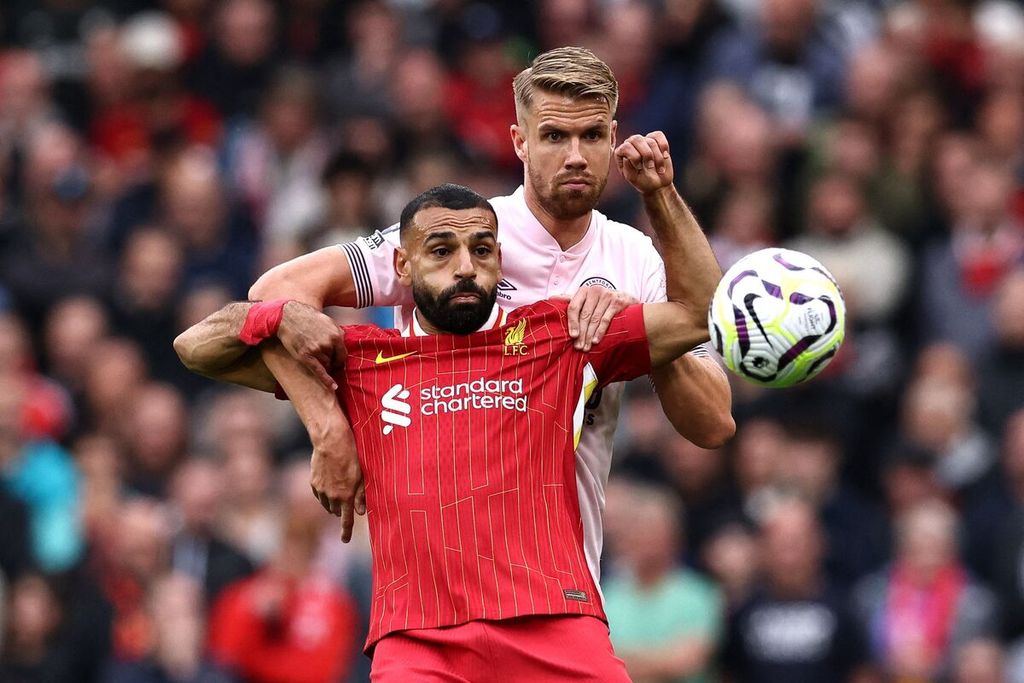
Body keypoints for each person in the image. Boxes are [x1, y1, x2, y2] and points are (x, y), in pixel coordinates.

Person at [176, 45, 735, 554]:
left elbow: (711, 423)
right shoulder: (459, 236)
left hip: (560, 575)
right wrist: (328, 428)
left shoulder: (632, 256)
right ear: (519, 141)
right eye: (553, 136)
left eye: (591, 136)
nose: (575, 156)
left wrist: (637, 330)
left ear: (614, 137)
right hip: (433, 569)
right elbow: (276, 295)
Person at [176, 178, 721, 679]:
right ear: (403, 266)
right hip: (417, 641)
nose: (465, 266)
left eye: (482, 250)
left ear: (500, 261)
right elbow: (194, 347)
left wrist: (660, 194)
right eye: (442, 251)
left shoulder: (561, 335)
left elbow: (700, 314)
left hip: (553, 622)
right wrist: (279, 319)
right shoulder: (362, 360)